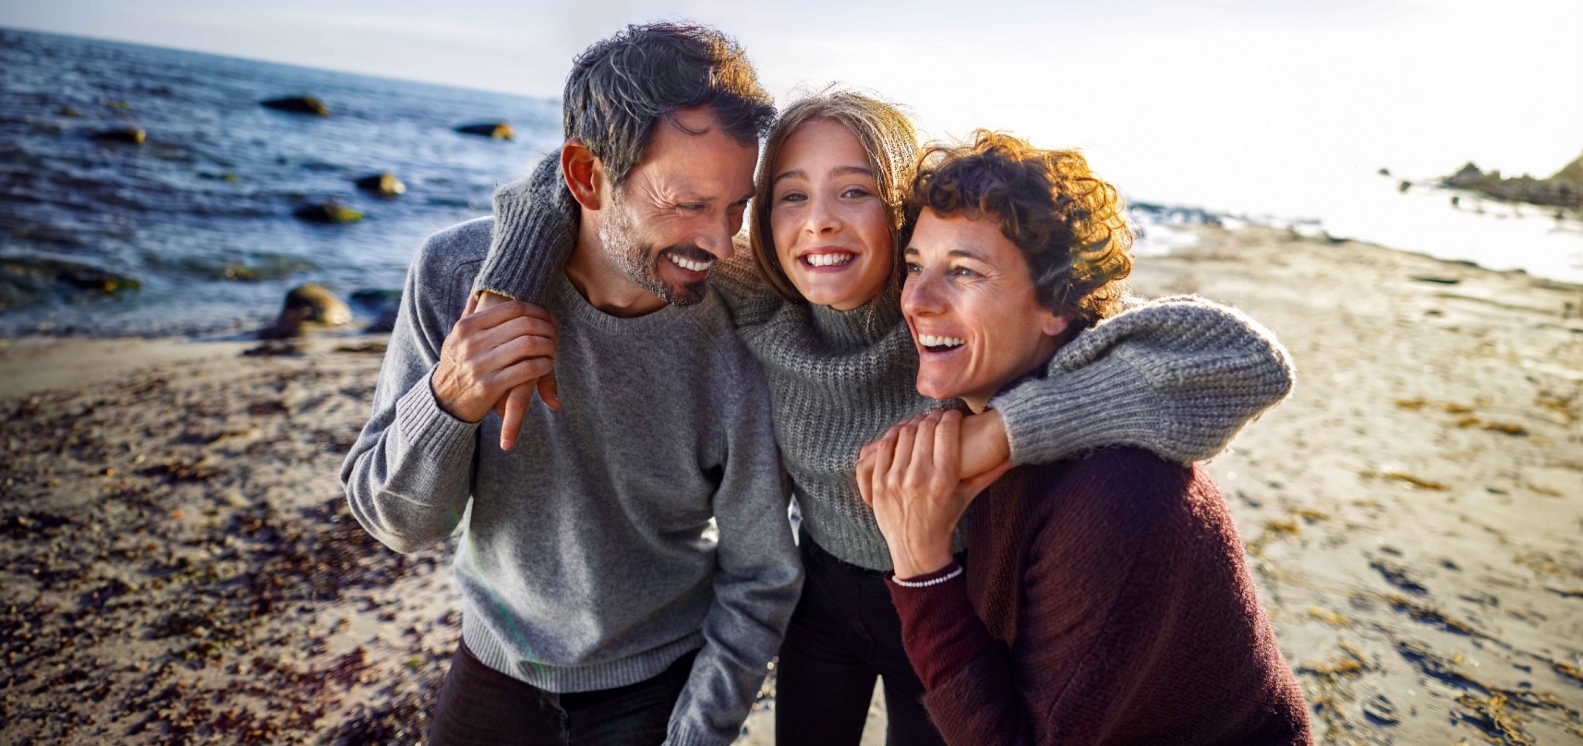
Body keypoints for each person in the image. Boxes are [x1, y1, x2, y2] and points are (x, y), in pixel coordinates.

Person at [475, 90, 1297, 745]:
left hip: (951, 594)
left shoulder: (953, 330)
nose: (820, 218)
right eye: (790, 194)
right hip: (823, 593)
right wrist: (504, 287)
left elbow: (1239, 360)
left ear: (899, 210)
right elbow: (597, 185)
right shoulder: (766, 302)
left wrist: (998, 430)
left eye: (855, 191)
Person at [339, 23, 802, 746]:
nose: (720, 242)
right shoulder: (456, 277)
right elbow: (397, 526)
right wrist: (447, 401)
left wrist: (699, 729)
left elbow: (761, 574)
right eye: (688, 204)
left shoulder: (741, 333)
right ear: (586, 177)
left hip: (659, 686)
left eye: (735, 207)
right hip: (493, 666)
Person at [859, 131, 1312, 745]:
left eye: (964, 271)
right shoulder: (985, 398)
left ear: (1056, 304)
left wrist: (921, 568)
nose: (917, 300)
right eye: (915, 267)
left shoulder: (1113, 493)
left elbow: (1251, 359)